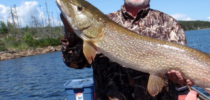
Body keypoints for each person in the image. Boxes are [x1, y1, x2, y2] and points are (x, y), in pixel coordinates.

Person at [60, 0, 196, 100]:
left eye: (78, 8)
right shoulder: (102, 23)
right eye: (80, 8)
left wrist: (179, 78)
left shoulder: (170, 24)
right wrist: (71, 31)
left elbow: (182, 75)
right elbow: (74, 62)